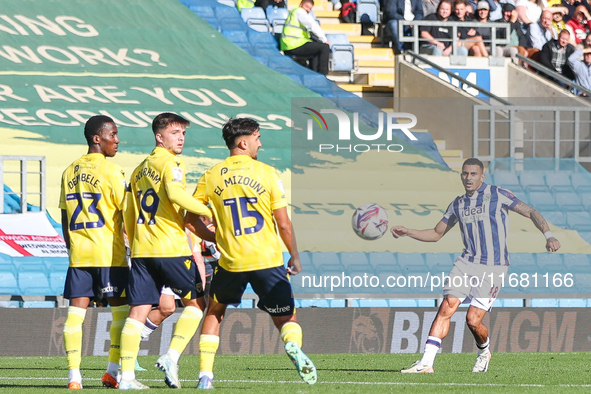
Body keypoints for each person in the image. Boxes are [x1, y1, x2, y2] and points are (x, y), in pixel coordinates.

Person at [392, 158, 560, 374]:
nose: (468, 178)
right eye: (465, 174)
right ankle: (426, 363)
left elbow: (531, 212)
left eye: (473, 174)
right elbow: (436, 234)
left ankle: (484, 352)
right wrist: (408, 232)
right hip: (466, 262)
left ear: (482, 176)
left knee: (473, 319)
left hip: (494, 266)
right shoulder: (457, 204)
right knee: (447, 306)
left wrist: (548, 235)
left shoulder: (498, 194)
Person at [191, 118, 317, 389]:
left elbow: (190, 220)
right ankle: (293, 346)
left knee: (215, 311)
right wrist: (294, 255)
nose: (260, 142)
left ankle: (205, 376)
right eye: (257, 137)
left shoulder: (210, 175)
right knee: (286, 317)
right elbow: (283, 223)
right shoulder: (268, 173)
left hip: (231, 260)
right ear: (243, 142)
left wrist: (216, 236)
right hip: (267, 260)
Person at [118, 113, 213, 390]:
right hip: (170, 248)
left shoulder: (138, 171)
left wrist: (137, 244)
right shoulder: (171, 163)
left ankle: (126, 378)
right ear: (159, 137)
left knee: (137, 313)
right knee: (197, 304)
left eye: (183, 133)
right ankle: (171, 356)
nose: (181, 137)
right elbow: (175, 193)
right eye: (174, 132)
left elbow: (128, 214)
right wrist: (209, 210)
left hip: (142, 250)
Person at [59, 115, 129, 390]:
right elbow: (126, 212)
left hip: (79, 255)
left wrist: (72, 246)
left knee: (75, 316)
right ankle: (112, 372)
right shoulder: (112, 171)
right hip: (109, 255)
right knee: (121, 314)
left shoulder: (69, 171)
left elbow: (65, 217)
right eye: (113, 134)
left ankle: (74, 377)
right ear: (97, 138)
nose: (117, 140)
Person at [281, 0, 331, 75]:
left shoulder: (295, 11)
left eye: (310, 8)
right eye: (306, 7)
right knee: (324, 47)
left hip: (292, 44)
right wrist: (325, 40)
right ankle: (323, 75)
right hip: (293, 45)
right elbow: (312, 25)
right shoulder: (300, 12)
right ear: (301, 4)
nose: (308, 10)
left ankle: (314, 74)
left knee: (317, 48)